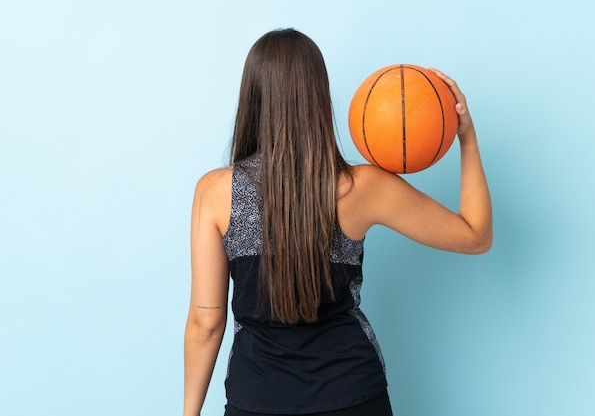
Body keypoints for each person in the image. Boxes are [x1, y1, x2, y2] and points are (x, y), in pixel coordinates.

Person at [183, 28, 492, 416]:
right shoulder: (362, 187)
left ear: (253, 96)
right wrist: (466, 136)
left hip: (257, 398)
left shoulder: (214, 192)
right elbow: (475, 235)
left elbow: (205, 325)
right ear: (318, 96)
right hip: (353, 395)